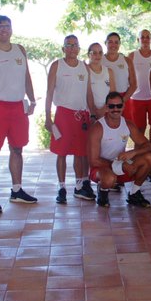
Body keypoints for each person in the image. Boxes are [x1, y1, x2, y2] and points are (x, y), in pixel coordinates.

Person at [0, 15, 38, 212]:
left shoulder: (20, 50)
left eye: (7, 26)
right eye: (0, 26)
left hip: (18, 107)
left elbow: (26, 76)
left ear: (12, 29)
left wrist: (32, 99)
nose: (4, 29)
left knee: (17, 149)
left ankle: (17, 189)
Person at [45, 35, 95, 205]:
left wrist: (93, 114)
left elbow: (89, 94)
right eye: (69, 45)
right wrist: (47, 117)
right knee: (62, 152)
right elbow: (49, 92)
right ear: (63, 48)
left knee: (81, 153)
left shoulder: (84, 67)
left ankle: (80, 185)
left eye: (75, 45)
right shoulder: (57, 65)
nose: (72, 48)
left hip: (82, 115)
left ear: (79, 49)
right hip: (63, 115)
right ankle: (61, 187)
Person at [88, 92, 151, 208]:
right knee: (110, 178)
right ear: (106, 107)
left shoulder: (128, 124)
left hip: (122, 165)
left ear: (123, 106)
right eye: (111, 106)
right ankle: (103, 193)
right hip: (102, 168)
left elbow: (148, 145)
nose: (115, 109)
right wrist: (120, 165)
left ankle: (134, 193)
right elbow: (93, 161)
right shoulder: (97, 128)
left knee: (150, 158)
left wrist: (133, 152)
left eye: (119, 106)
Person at [126, 29, 151, 133]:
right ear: (138, 40)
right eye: (142, 37)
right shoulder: (132, 56)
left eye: (147, 37)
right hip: (136, 99)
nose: (145, 40)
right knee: (139, 130)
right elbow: (127, 77)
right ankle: (140, 149)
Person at [102, 32, 137, 101]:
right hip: (104, 98)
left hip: (124, 98)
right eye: (110, 42)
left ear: (119, 44)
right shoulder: (99, 61)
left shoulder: (127, 60)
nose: (113, 45)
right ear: (105, 43)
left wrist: (122, 101)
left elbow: (133, 85)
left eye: (116, 42)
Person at [86, 42, 116, 120]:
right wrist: (94, 112)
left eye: (100, 53)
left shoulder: (109, 71)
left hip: (107, 112)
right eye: (94, 53)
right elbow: (86, 94)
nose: (97, 55)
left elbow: (112, 94)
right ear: (88, 54)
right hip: (89, 113)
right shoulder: (85, 71)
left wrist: (103, 110)